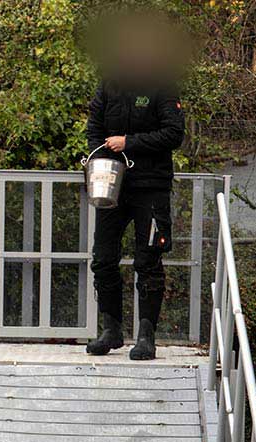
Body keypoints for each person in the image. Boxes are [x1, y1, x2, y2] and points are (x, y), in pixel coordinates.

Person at [85, 79, 185, 360]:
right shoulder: (109, 85)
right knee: (103, 258)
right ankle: (111, 330)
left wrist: (129, 142)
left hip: (151, 186)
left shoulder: (162, 86)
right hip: (112, 184)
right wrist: (102, 157)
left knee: (149, 260)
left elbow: (173, 134)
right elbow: (94, 128)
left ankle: (146, 336)